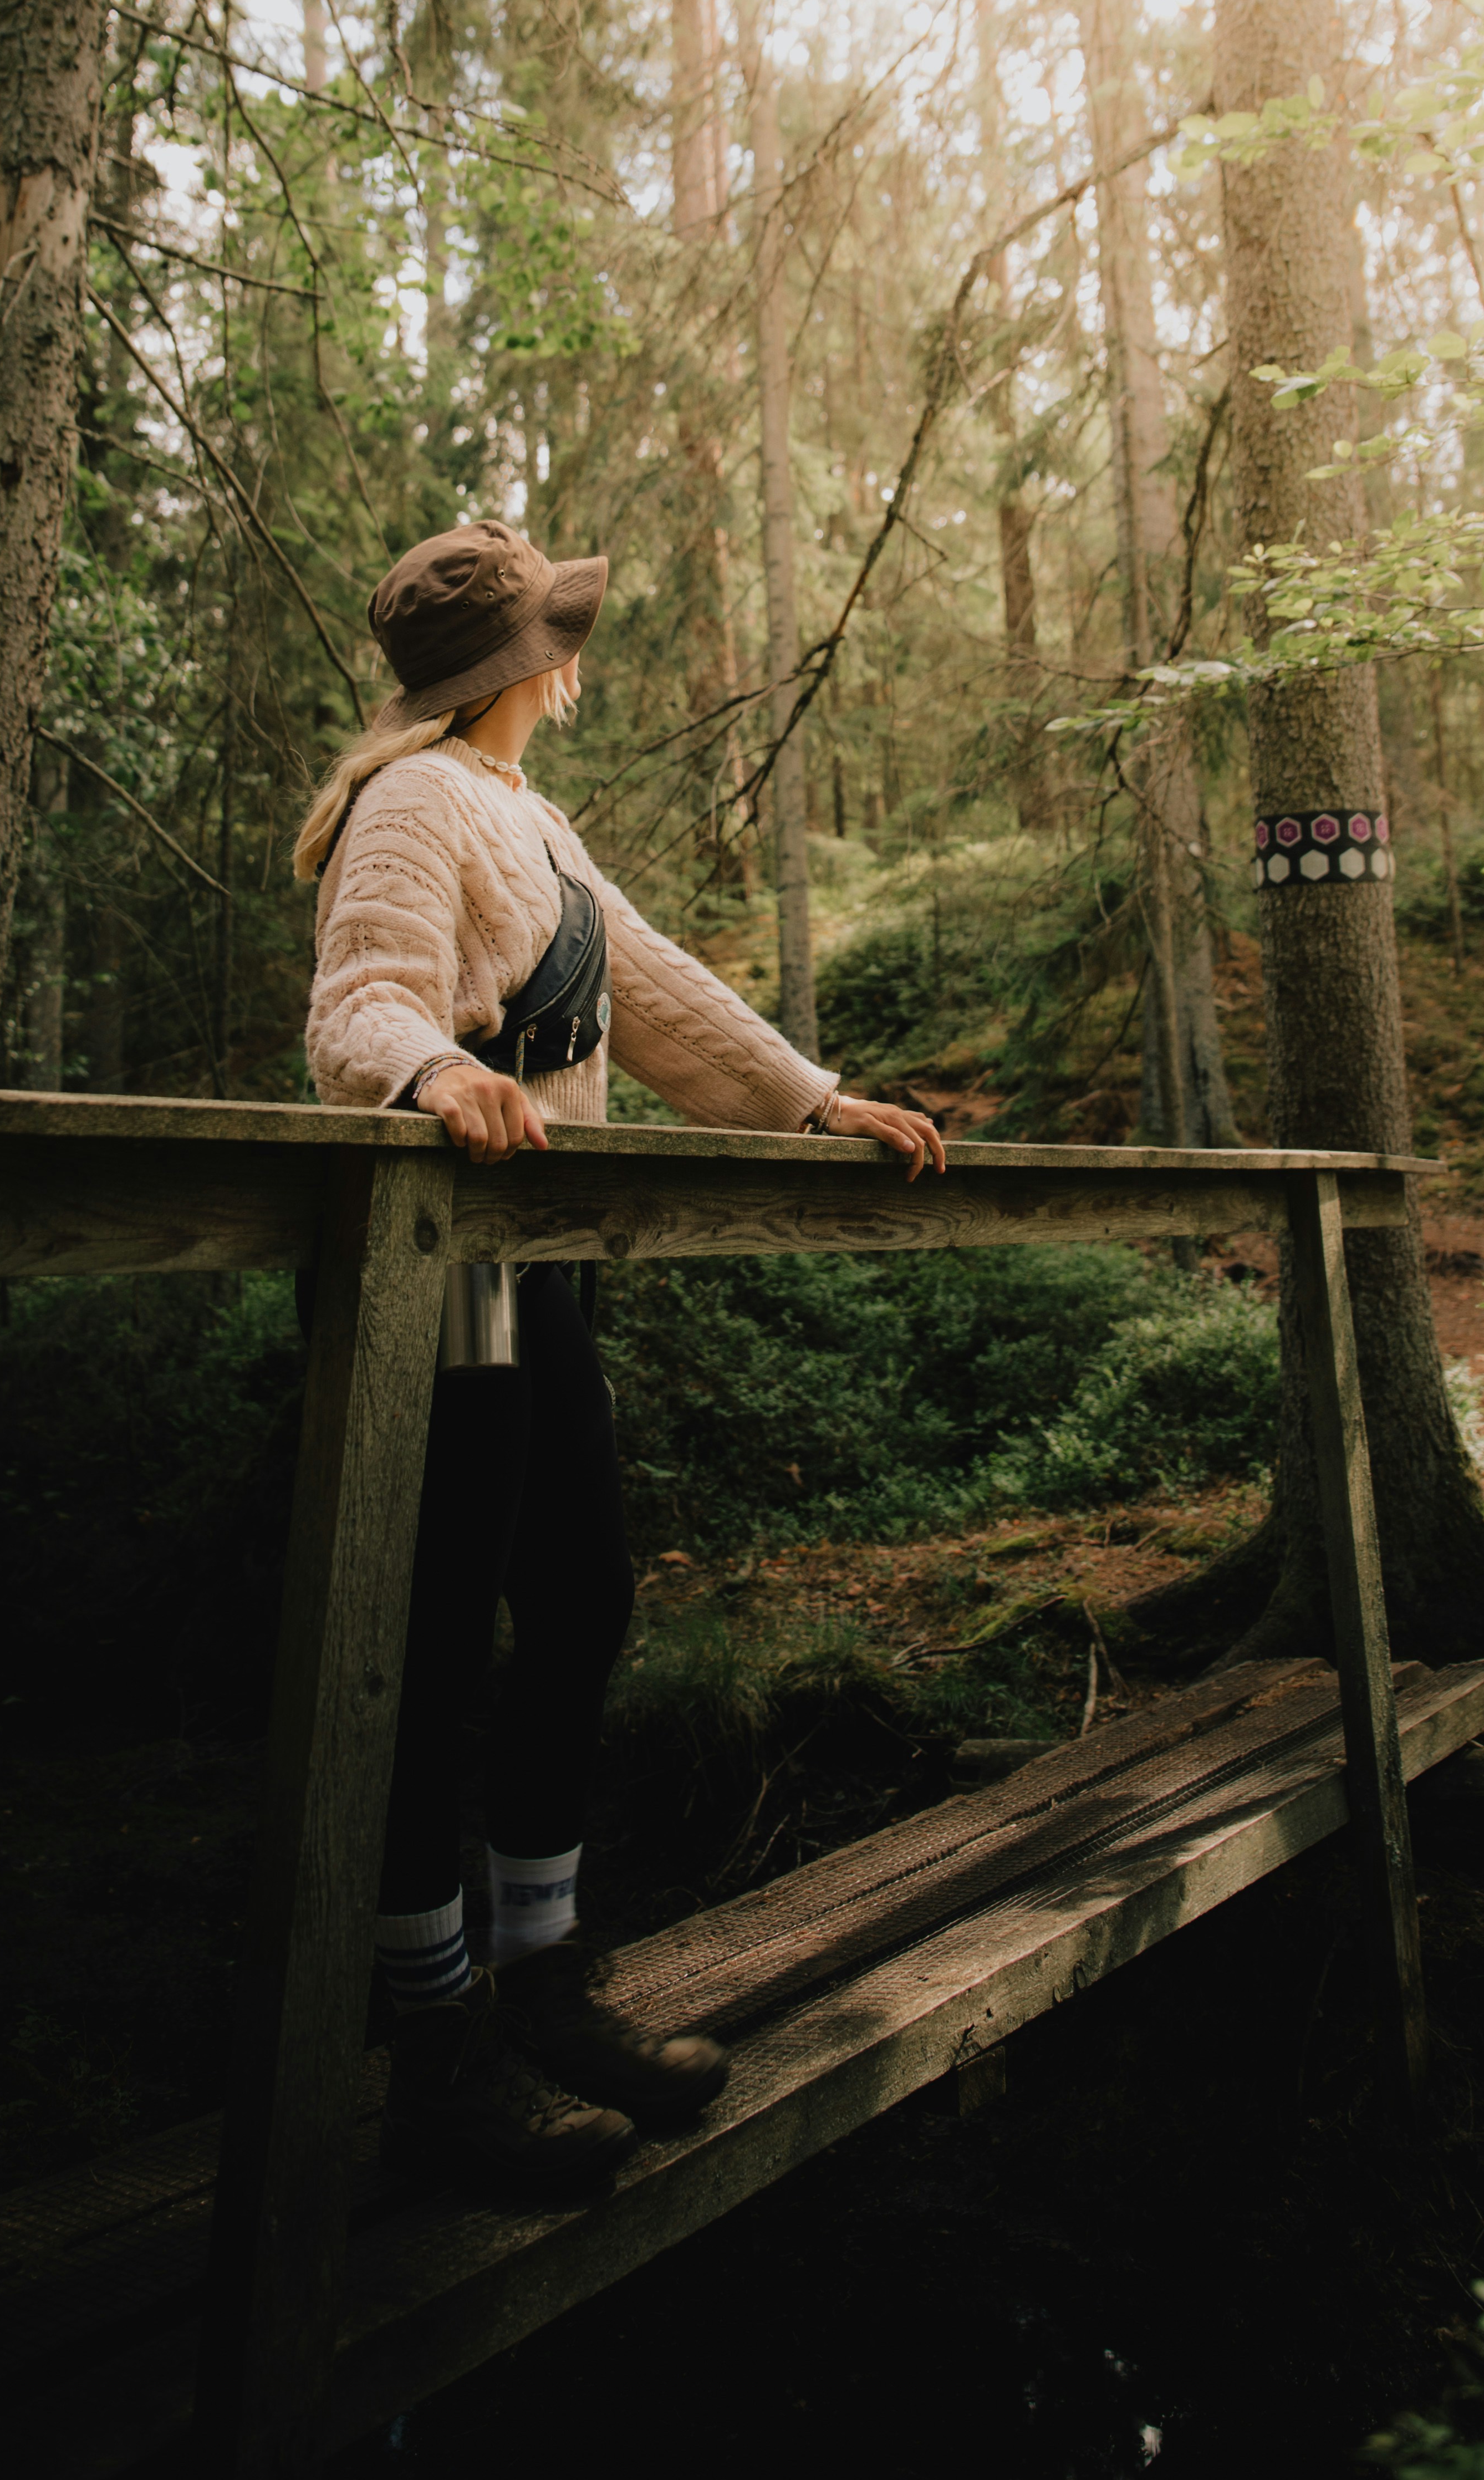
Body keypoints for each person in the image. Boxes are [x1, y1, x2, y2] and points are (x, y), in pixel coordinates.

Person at [295, 518, 944, 2196]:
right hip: (438, 1291)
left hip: (542, 1276)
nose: (576, 658)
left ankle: (546, 1985)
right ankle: (436, 2051)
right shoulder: (413, 804)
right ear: (532, 668)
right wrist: (433, 1074)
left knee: (581, 1606)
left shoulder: (532, 821)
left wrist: (816, 1102)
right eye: (561, 638)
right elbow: (360, 1001)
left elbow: (651, 991)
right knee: (430, 1661)